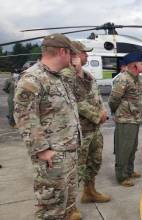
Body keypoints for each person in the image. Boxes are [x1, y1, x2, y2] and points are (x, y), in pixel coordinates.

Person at [14, 33, 82, 219]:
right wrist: (42, 150)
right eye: (71, 53)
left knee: (65, 204)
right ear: (62, 51)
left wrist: (76, 67)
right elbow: (25, 117)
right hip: (53, 156)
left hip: (67, 152)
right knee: (51, 209)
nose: (73, 57)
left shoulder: (57, 77)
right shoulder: (33, 78)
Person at [61, 41, 111, 203]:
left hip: (94, 129)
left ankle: (89, 191)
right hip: (79, 131)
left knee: (94, 162)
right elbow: (76, 100)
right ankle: (70, 206)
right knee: (77, 168)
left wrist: (103, 111)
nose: (87, 55)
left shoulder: (87, 74)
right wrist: (98, 115)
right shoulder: (65, 75)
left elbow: (96, 97)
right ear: (74, 55)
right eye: (84, 53)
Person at [109, 52, 142, 187]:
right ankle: (122, 176)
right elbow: (113, 99)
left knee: (132, 147)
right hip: (125, 119)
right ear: (134, 65)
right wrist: (115, 112)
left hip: (134, 118)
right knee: (123, 148)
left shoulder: (137, 78)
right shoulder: (123, 79)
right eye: (141, 63)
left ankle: (129, 170)